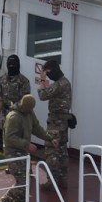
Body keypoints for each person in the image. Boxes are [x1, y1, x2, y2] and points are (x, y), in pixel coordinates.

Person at [0, 94, 57, 202]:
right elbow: (10, 138)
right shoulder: (13, 117)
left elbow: (37, 128)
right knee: (22, 183)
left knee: (26, 183)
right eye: (30, 109)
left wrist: (50, 138)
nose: (31, 111)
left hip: (23, 153)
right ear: (24, 106)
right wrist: (27, 144)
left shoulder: (29, 113)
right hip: (13, 153)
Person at [37, 59, 72, 189]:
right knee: (62, 152)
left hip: (55, 123)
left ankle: (52, 182)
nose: (47, 75)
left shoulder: (59, 85)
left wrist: (41, 80)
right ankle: (62, 181)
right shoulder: (65, 82)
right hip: (63, 122)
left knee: (52, 152)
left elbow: (42, 95)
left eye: (47, 72)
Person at [0, 54, 31, 129]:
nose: (11, 66)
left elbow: (25, 102)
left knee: (16, 139)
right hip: (5, 115)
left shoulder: (24, 81)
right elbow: (0, 99)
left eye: (14, 64)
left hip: (18, 116)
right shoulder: (3, 80)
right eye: (9, 64)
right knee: (5, 138)